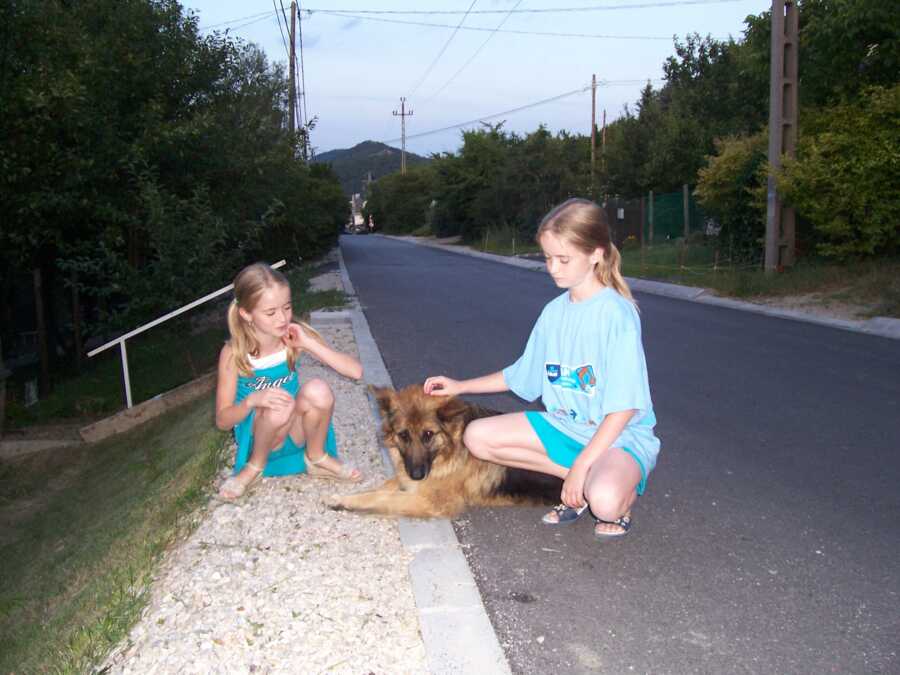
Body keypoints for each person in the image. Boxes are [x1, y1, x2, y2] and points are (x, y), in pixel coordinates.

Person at [424, 198, 659, 540]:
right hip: (567, 427)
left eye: (564, 259)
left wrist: (580, 467)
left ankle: (606, 492)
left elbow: (624, 409)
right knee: (477, 437)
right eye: (548, 258)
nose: (553, 268)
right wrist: (460, 386)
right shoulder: (553, 313)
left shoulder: (616, 315)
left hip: (618, 437)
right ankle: (580, 482)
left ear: (596, 254)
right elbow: (522, 374)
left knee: (604, 503)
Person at [215, 263, 363, 501]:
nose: (283, 318)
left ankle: (316, 457)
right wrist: (253, 400)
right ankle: (253, 468)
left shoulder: (292, 337)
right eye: (271, 312)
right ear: (246, 314)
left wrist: (308, 343)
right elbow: (222, 421)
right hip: (260, 440)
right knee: (279, 406)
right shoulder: (234, 353)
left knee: (319, 390)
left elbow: (355, 371)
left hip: (294, 431)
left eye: (287, 307)